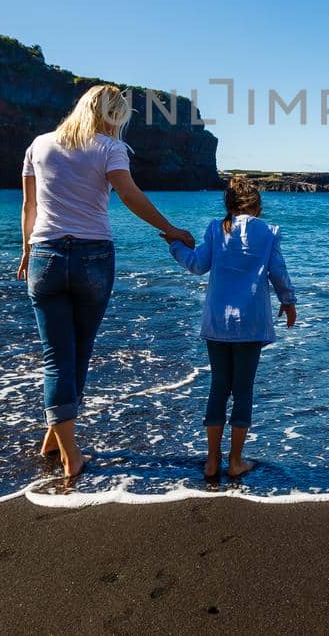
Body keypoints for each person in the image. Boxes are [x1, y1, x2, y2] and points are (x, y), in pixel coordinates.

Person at [17, 84, 195, 478]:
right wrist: (170, 229)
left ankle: (57, 436)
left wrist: (27, 251)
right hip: (92, 258)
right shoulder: (109, 147)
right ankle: (71, 455)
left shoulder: (39, 145)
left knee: (57, 356)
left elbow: (29, 206)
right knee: (77, 353)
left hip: (44, 256)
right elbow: (129, 195)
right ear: (112, 115)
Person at [166, 175, 298, 480]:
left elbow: (197, 265)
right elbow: (278, 272)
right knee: (243, 391)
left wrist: (175, 245)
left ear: (228, 203)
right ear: (257, 205)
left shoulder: (216, 229)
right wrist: (288, 302)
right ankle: (235, 461)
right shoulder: (267, 232)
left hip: (218, 323)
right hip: (250, 323)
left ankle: (212, 461)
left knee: (218, 388)